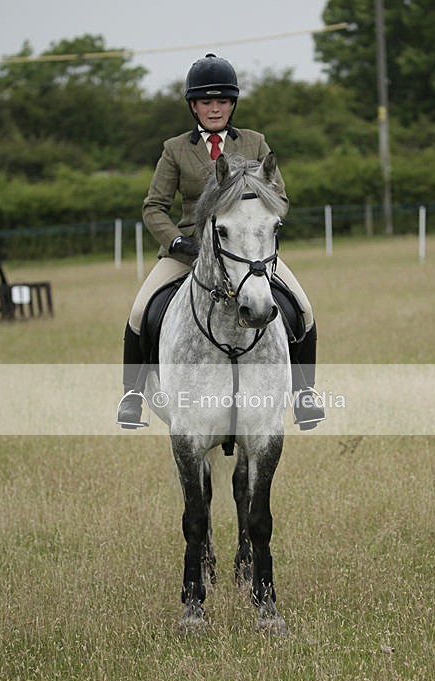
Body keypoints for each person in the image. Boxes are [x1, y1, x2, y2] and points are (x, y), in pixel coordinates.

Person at [117, 53, 324, 430]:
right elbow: (154, 207)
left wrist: (259, 224)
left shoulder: (255, 143)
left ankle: (304, 392)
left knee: (304, 309)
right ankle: (132, 396)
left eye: (222, 101)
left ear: (232, 104)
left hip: (246, 253)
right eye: (207, 102)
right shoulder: (175, 149)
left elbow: (281, 197)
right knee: (139, 312)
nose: (215, 109)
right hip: (187, 252)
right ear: (194, 106)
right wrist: (178, 243)